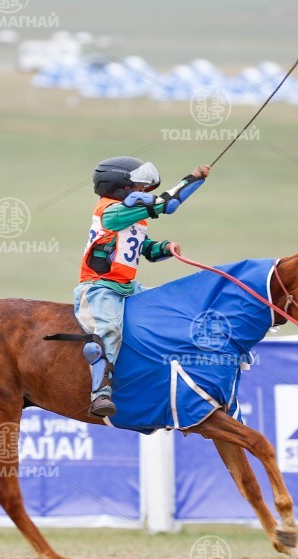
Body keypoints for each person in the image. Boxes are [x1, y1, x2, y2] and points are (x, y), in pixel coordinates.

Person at [75, 156, 210, 418]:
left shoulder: (131, 218)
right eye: (137, 187)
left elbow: (144, 249)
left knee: (166, 312)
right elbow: (168, 204)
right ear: (119, 187)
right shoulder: (112, 212)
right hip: (100, 288)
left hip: (127, 287)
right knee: (108, 331)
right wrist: (193, 178)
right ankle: (100, 393)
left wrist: (163, 248)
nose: (142, 191)